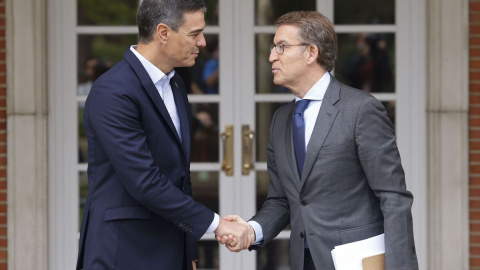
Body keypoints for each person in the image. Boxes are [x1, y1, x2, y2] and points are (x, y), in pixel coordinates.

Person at [219, 11, 419, 270]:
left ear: (311, 53)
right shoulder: (280, 120)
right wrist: (252, 230)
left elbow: (393, 198)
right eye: (273, 47)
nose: (272, 56)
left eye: (281, 47)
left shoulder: (361, 110)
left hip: (357, 262)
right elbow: (282, 199)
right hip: (303, 262)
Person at [76, 1, 251, 270]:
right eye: (194, 34)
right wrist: (217, 224)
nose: (202, 42)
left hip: (170, 249)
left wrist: (188, 250)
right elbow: (144, 181)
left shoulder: (176, 83)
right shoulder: (113, 92)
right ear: (163, 32)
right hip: (123, 250)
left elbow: (181, 177)